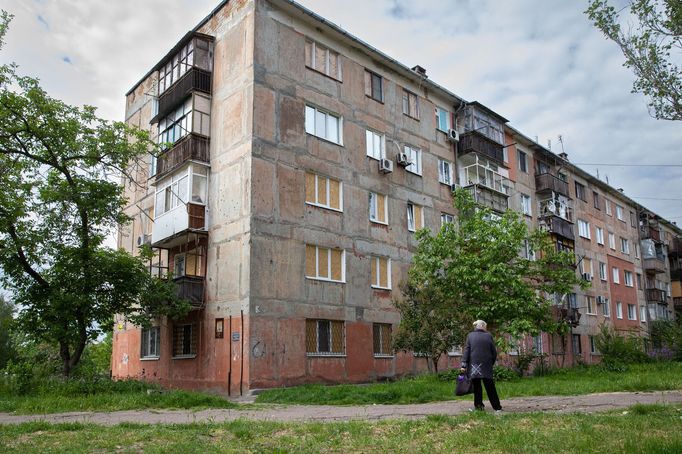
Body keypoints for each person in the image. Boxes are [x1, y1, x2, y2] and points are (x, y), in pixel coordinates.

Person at [460, 320, 502, 412]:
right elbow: (494, 352)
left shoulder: (470, 336)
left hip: (474, 366)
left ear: (477, 327)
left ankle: (479, 407)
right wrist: (490, 363)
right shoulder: (489, 336)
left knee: (477, 387)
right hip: (486, 365)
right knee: (490, 386)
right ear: (483, 326)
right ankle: (497, 407)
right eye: (485, 326)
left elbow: (467, 351)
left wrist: (463, 365)